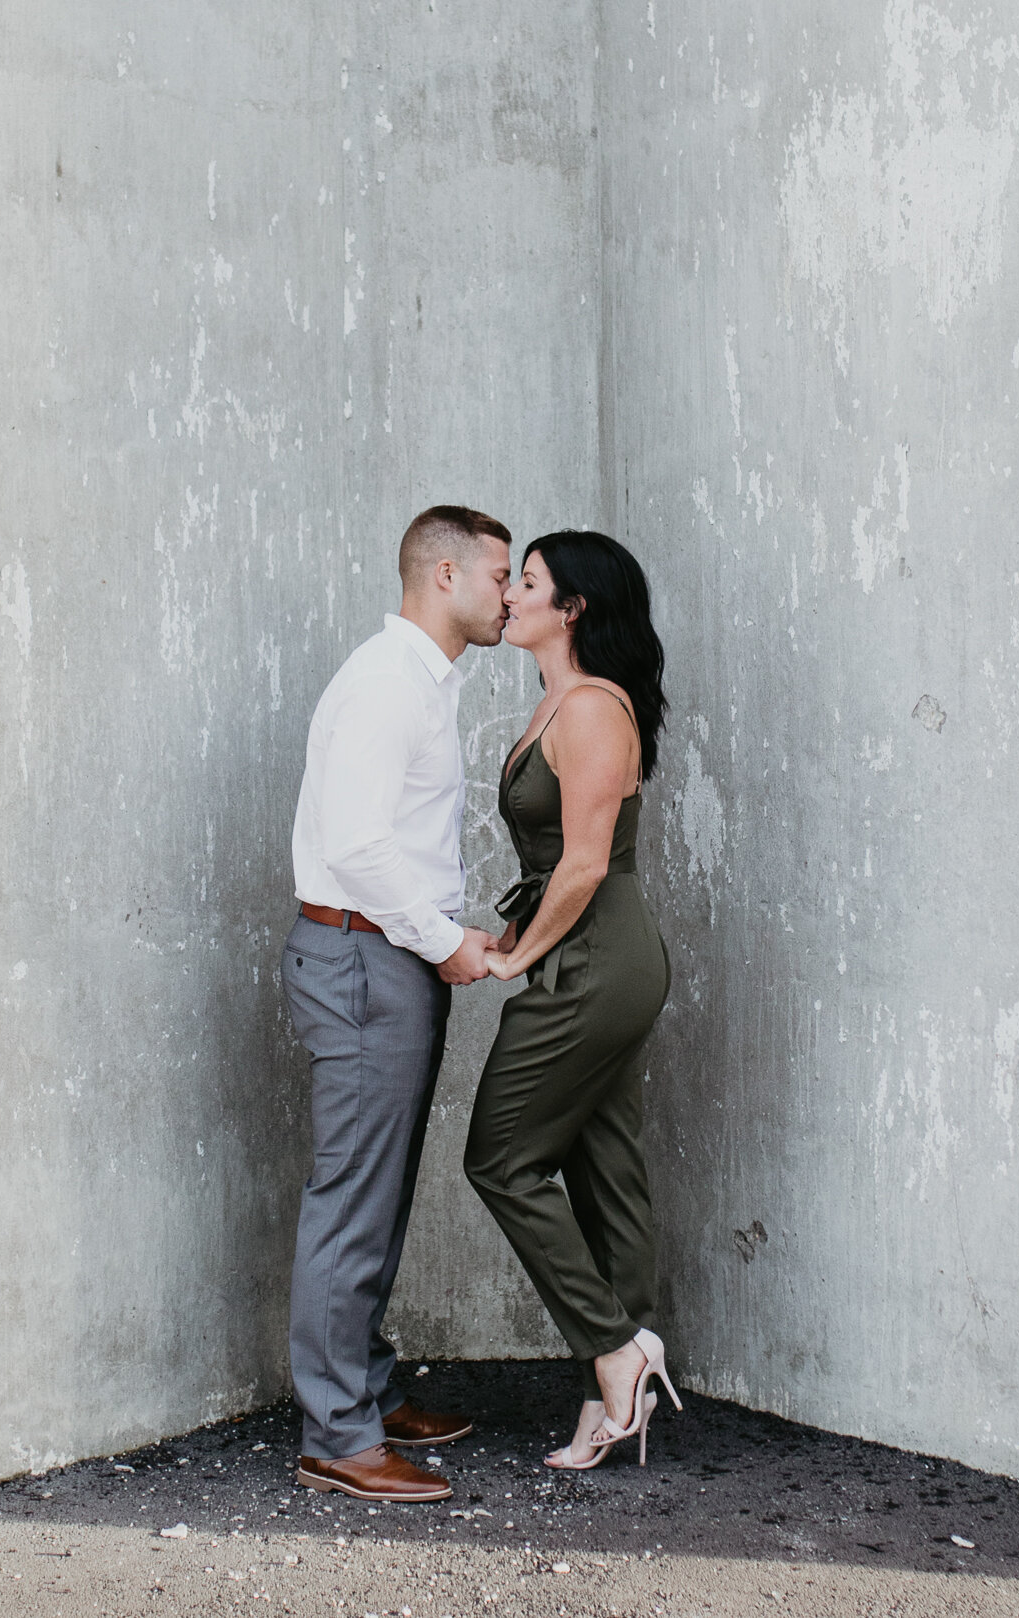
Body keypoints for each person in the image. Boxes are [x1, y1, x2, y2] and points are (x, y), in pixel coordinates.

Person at [283, 504, 514, 1502]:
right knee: (352, 1203)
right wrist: (445, 939)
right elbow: (358, 845)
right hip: (365, 957)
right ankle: (337, 1434)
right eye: (501, 575)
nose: (512, 594)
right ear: (447, 573)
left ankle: (363, 1396)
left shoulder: (420, 679)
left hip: (385, 958)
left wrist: (445, 937)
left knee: (377, 1196)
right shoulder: (388, 682)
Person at [462, 530, 679, 1471]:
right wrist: (513, 935)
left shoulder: (590, 709)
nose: (508, 594)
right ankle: (616, 1398)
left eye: (530, 583)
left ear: (574, 606)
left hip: (594, 961)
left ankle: (615, 1346)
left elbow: (585, 863)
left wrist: (516, 964)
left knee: (502, 1160)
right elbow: (558, 864)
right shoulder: (562, 700)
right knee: (603, 1167)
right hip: (591, 952)